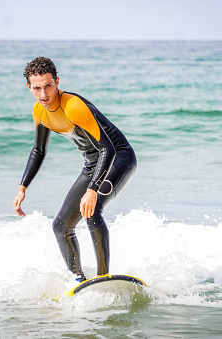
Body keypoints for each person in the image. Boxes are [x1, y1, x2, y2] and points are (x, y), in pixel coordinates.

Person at [13, 57, 136, 282]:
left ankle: (103, 276)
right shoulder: (40, 112)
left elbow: (106, 149)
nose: (44, 94)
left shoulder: (74, 107)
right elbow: (38, 151)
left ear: (57, 81)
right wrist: (23, 187)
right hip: (93, 163)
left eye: (48, 86)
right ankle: (78, 281)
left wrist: (92, 189)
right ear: (29, 87)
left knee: (92, 210)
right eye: (37, 88)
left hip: (118, 158)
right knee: (60, 226)